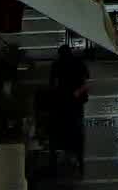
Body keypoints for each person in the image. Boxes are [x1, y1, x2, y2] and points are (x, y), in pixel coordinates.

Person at [48, 42, 91, 171]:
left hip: (62, 101)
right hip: (76, 101)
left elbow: (52, 84)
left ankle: (66, 149)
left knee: (62, 128)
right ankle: (78, 154)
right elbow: (87, 78)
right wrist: (79, 91)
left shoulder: (56, 64)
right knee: (77, 128)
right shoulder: (78, 62)